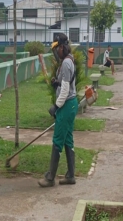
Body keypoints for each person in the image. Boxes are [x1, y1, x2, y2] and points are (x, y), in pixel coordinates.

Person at [38, 33, 78, 187]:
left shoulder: (67, 63)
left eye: (57, 49)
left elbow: (66, 89)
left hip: (66, 105)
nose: (55, 52)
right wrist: (57, 83)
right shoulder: (66, 61)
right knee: (67, 139)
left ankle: (50, 178)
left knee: (58, 139)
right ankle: (70, 176)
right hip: (69, 104)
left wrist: (56, 106)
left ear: (62, 47)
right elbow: (65, 84)